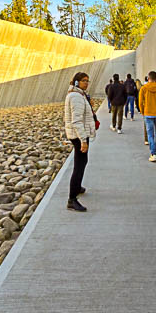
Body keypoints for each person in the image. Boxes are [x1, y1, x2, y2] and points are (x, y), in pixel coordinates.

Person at [64, 72, 96, 212]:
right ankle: (72, 199)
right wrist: (83, 140)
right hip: (78, 135)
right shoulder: (76, 96)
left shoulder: (79, 95)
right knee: (79, 166)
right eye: (83, 81)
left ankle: (77, 188)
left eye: (87, 81)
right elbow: (76, 120)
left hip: (79, 133)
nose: (86, 83)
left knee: (82, 162)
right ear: (76, 82)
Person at [138, 71, 156, 162]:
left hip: (148, 113)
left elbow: (140, 102)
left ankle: (152, 153)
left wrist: (142, 111)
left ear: (148, 78)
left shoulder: (144, 88)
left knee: (150, 134)